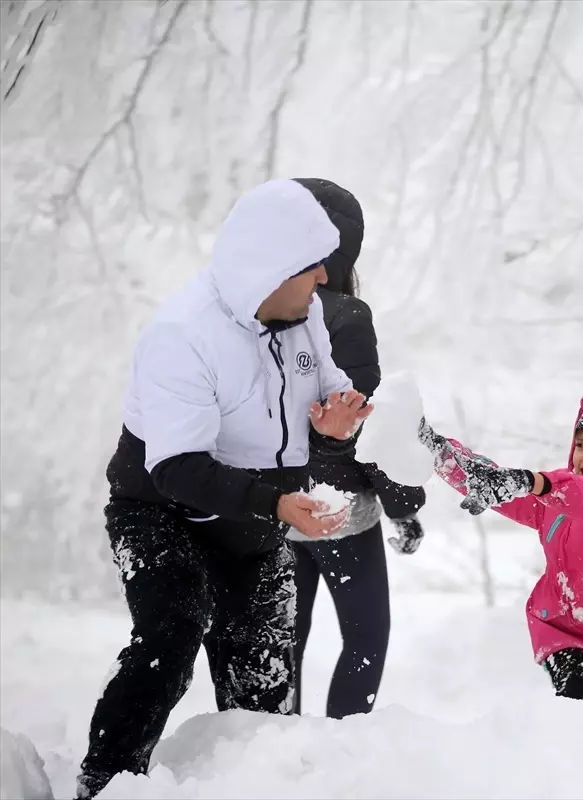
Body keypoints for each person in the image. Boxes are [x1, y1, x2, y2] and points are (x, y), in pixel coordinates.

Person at [76, 179, 374, 799]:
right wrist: (273, 501)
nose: (325, 277)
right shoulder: (182, 335)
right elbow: (176, 468)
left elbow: (330, 395)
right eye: (311, 265)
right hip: (162, 511)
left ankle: (254, 787)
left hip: (254, 517)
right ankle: (104, 782)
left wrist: (337, 426)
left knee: (265, 669)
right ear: (269, 270)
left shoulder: (306, 315)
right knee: (173, 632)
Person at [417, 384, 583, 700]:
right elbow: (493, 477)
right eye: (580, 444)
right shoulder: (554, 496)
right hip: (565, 634)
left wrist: (536, 483)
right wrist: (432, 446)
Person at [285, 178, 427, 720]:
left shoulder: (260, 312)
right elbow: (367, 424)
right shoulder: (346, 315)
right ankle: (344, 753)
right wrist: (404, 508)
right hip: (341, 514)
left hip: (275, 507)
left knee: (282, 647)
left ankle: (270, 752)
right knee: (366, 640)